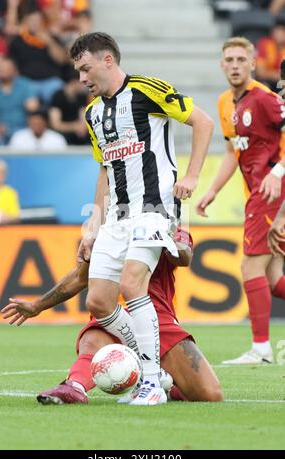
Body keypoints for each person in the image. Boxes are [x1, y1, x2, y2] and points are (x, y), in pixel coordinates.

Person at [69, 32, 213, 405]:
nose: (82, 78)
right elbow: (105, 170)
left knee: (133, 286)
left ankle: (149, 383)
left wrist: (193, 175)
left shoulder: (148, 89)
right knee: (98, 302)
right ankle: (157, 372)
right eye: (78, 72)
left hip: (155, 209)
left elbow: (203, 122)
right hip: (116, 216)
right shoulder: (92, 114)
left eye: (85, 69)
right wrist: (93, 226)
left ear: (107, 61)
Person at [1, 228, 223, 405]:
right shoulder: (111, 232)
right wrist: (37, 306)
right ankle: (74, 386)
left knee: (210, 394)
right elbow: (79, 278)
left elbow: (184, 256)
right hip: (112, 310)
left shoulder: (166, 226)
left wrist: (165, 237)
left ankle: (167, 382)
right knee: (93, 338)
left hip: (157, 318)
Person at [196, 36, 285, 365]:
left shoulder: (266, 99)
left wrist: (278, 173)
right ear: (222, 65)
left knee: (250, 266)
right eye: (229, 60)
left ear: (252, 64)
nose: (234, 65)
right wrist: (213, 190)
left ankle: (261, 349)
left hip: (272, 192)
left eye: (240, 60)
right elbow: (235, 151)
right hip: (257, 194)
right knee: (274, 280)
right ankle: (260, 348)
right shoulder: (224, 103)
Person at [0, 57, 39, 144]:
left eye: (7, 68)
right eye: (1, 68)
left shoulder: (25, 85)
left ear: (15, 70)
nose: (3, 70)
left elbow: (33, 107)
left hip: (23, 129)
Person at [256, 14, 285, 92]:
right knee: (263, 87)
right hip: (267, 82)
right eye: (278, 30)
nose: (281, 34)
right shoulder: (264, 44)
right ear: (273, 31)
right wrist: (277, 75)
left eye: (283, 30)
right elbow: (260, 72)